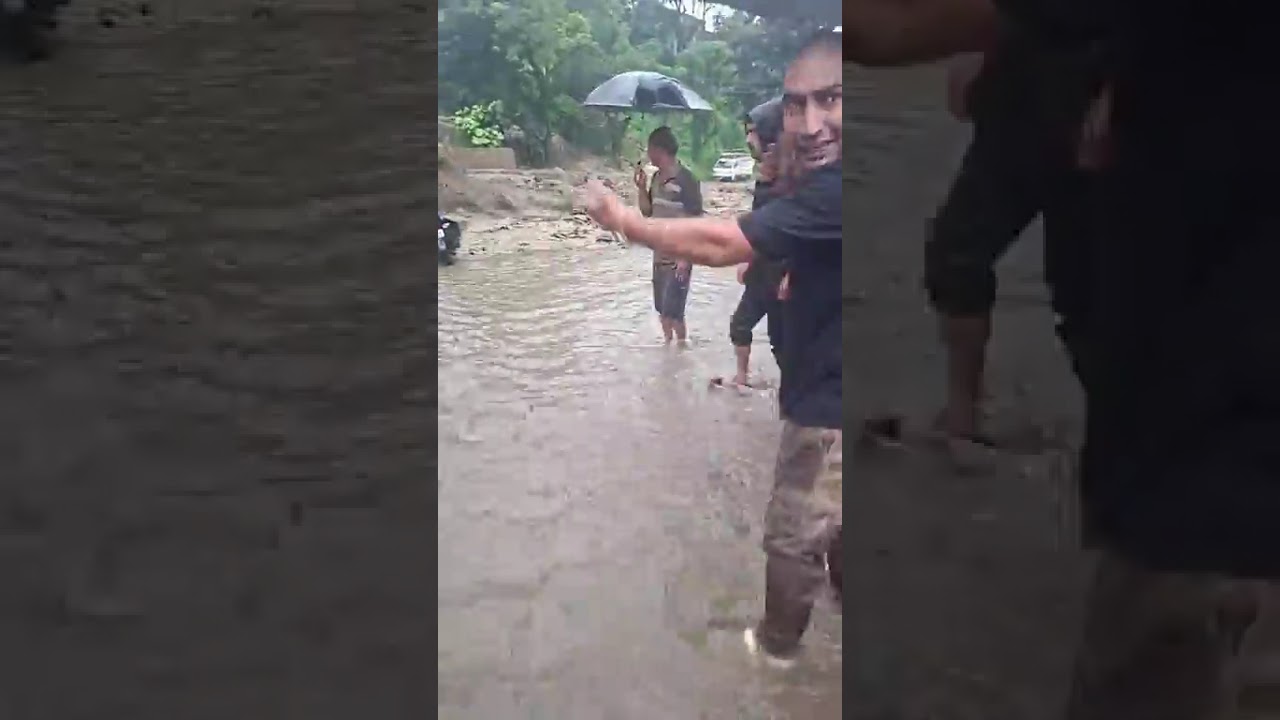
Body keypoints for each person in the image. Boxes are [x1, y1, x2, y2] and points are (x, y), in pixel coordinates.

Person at [846, 1, 1280, 718]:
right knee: (989, 260)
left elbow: (885, 29)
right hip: (1084, 90)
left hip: (1205, 487)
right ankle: (968, 414)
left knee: (1086, 298)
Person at [585, 30, 842, 668]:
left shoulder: (840, 184)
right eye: (794, 105)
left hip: (829, 402)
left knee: (791, 537)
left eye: (832, 100)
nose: (808, 124)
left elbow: (723, 239)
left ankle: (773, 659)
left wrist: (624, 221)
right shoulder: (810, 186)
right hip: (814, 376)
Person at [925, 32, 1105, 458]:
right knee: (956, 254)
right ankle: (962, 414)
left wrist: (1119, 89)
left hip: (1093, 86)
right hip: (1017, 98)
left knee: (1084, 289)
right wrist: (974, 46)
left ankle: (1121, 425)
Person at [722, 97, 787, 387]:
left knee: (785, 340)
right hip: (762, 269)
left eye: (753, 131)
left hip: (788, 272)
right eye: (746, 131)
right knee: (740, 324)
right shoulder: (764, 181)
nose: (748, 139)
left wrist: (793, 272)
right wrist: (747, 257)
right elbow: (759, 223)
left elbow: (809, 235)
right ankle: (742, 378)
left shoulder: (799, 182)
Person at [634, 126, 703, 344]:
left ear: (659, 149)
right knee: (662, 309)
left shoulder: (687, 179)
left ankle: (681, 348)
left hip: (679, 257)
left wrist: (686, 258)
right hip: (659, 256)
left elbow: (696, 222)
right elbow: (647, 212)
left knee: (675, 312)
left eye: (649, 149)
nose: (647, 154)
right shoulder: (655, 178)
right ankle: (668, 349)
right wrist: (641, 187)